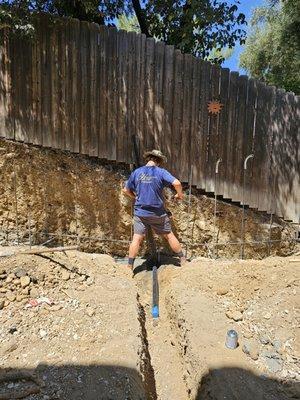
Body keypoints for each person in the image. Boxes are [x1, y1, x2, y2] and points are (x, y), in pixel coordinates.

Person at [122, 149, 186, 272]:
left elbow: (125, 190)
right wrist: (180, 195)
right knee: (168, 235)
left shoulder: (137, 172)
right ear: (159, 161)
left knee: (137, 238)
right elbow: (177, 183)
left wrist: (134, 197)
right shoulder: (160, 172)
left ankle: (129, 266)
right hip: (158, 213)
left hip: (141, 213)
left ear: (149, 159)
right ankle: (183, 260)